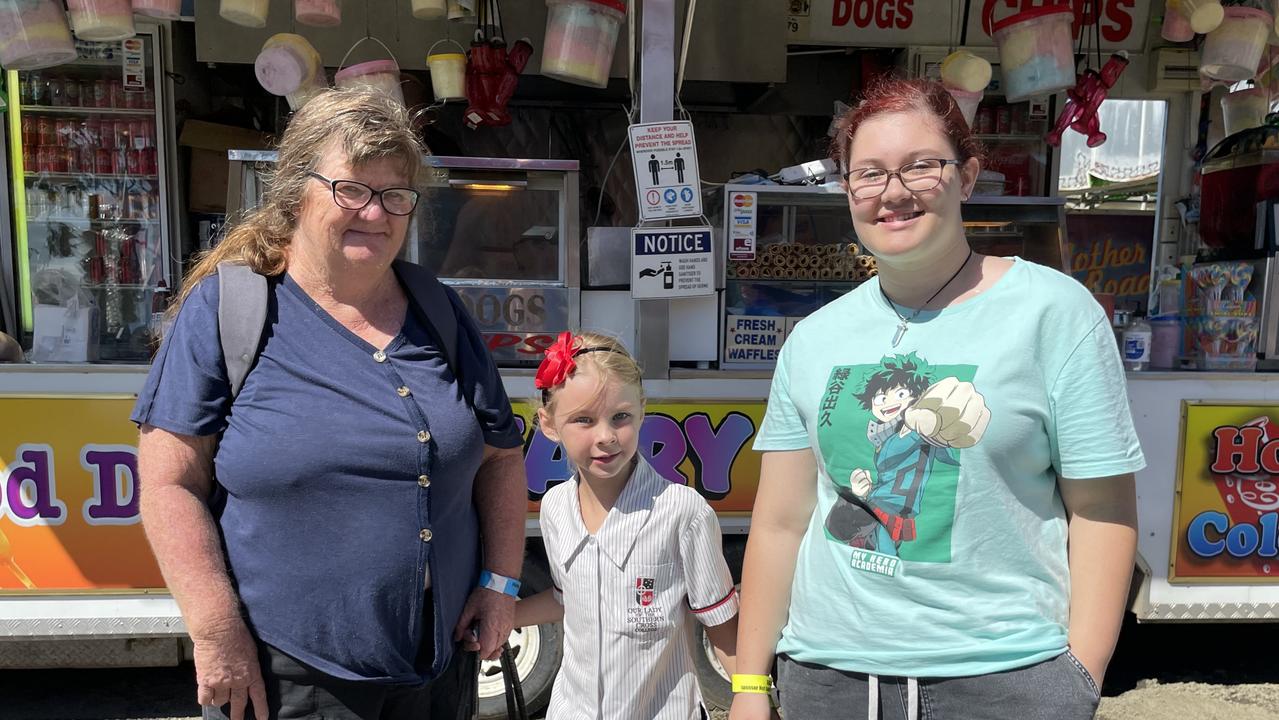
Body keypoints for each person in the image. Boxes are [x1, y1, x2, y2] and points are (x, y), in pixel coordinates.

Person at [729, 78, 1144, 720]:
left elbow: (1103, 509)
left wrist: (1076, 679)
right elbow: (781, 523)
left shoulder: (1055, 312)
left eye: (921, 166)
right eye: (868, 174)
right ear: (848, 191)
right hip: (828, 681)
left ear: (968, 175)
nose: (893, 192)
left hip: (1003, 680)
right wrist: (751, 687)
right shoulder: (813, 339)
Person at [133, 88, 527, 720]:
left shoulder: (437, 309)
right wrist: (214, 630)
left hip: (438, 665)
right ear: (296, 193)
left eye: (394, 194)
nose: (374, 213)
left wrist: (501, 584)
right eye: (351, 189)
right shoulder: (229, 311)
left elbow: (501, 459)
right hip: (290, 677)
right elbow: (168, 483)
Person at [514, 331, 744, 720]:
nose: (605, 437)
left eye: (620, 417)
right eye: (583, 420)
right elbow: (567, 599)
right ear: (549, 424)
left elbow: (721, 623)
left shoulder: (682, 513)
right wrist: (503, 617)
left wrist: (753, 693)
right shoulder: (553, 509)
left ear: (641, 410)